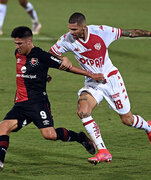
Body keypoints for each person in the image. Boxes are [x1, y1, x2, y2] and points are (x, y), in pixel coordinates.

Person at [0, 26, 106, 170]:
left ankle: (80, 137)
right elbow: (29, 71)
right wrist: (43, 75)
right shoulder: (17, 54)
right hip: (20, 104)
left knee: (49, 135)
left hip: (38, 104)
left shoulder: (40, 55)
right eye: (15, 43)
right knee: (2, 127)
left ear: (29, 41)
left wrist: (91, 75)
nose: (17, 47)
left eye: (20, 44)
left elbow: (66, 66)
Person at [50, 12, 151, 165]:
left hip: (111, 80)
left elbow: (130, 33)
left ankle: (148, 127)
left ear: (84, 27)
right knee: (83, 111)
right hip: (92, 82)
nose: (71, 33)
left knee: (127, 120)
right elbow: (51, 53)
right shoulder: (67, 39)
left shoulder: (101, 32)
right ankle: (103, 151)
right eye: (69, 29)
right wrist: (62, 57)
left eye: (74, 30)